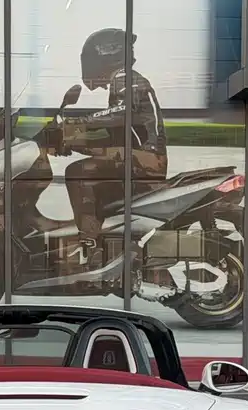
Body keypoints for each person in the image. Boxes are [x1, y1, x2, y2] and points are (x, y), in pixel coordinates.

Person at [57, 28, 168, 269]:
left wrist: (80, 122)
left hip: (145, 158)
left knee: (77, 173)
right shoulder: (122, 81)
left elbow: (122, 113)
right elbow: (114, 134)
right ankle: (105, 243)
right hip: (135, 157)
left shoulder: (127, 79)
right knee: (91, 168)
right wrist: (73, 143)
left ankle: (89, 242)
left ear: (105, 56)